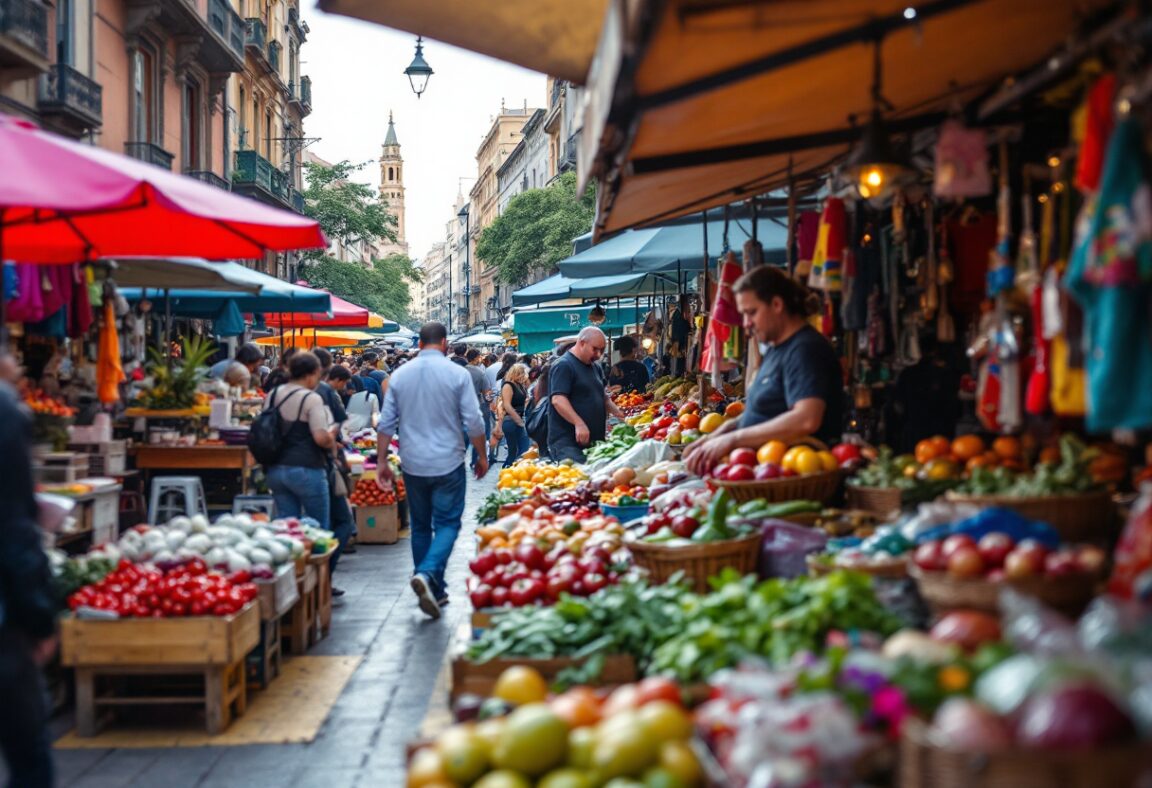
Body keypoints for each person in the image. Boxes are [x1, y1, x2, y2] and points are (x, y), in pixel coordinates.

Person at [684, 266, 843, 476]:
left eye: (752, 313)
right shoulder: (777, 349)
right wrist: (721, 433)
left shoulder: (805, 349)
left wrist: (734, 439)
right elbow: (764, 414)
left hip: (794, 481)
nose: (747, 324)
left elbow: (806, 419)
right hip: (761, 474)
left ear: (777, 304)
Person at [376, 323, 487, 619]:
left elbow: (386, 423)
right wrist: (481, 454)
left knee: (421, 527)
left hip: (413, 462)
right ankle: (427, 574)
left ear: (421, 342)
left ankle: (432, 586)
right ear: (445, 343)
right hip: (448, 462)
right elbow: (474, 422)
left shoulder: (399, 375)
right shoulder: (457, 374)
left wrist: (382, 461)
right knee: (448, 524)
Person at [0, 358, 58, 788]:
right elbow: (15, 525)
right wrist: (40, 615)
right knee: (28, 753)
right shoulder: (5, 411)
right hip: (5, 620)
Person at [261, 352, 340, 530]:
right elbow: (320, 438)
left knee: (288, 529)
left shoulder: (273, 394)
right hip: (306, 469)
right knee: (317, 529)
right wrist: (332, 436)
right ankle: (316, 559)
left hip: (275, 470)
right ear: (311, 373)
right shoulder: (310, 398)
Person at [548, 326, 626, 463]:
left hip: (593, 443)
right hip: (568, 444)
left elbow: (603, 397)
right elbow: (558, 400)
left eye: (602, 350)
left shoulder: (595, 367)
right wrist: (579, 423)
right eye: (595, 349)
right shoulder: (564, 365)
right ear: (581, 343)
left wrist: (619, 414)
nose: (598, 354)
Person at [499, 363, 532, 466]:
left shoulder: (519, 385)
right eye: (523, 374)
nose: (525, 376)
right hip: (511, 421)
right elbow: (507, 405)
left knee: (522, 450)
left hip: (517, 420)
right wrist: (519, 421)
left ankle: (513, 472)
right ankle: (507, 472)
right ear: (517, 373)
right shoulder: (508, 385)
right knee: (514, 451)